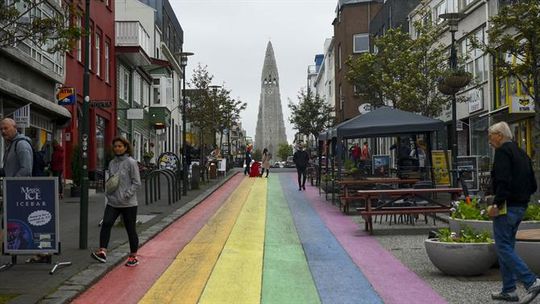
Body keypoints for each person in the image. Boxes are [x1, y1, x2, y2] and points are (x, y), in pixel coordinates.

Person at [487, 121, 539, 303]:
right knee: (507, 246)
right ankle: (509, 290)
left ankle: (531, 280)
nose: (489, 140)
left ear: (499, 135)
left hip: (506, 206)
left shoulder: (502, 152)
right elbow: (533, 185)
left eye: (490, 136)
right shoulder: (522, 153)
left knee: (502, 246)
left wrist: (496, 204)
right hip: (521, 206)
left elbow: (502, 180)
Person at [92, 137, 142, 267]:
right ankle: (102, 251)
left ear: (126, 147)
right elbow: (111, 181)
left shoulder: (131, 162)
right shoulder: (112, 163)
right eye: (115, 146)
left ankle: (133, 256)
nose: (118, 148)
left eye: (120, 146)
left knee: (130, 229)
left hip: (128, 203)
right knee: (107, 223)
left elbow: (137, 182)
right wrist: (108, 194)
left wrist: (127, 195)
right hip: (113, 202)